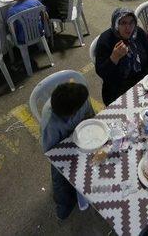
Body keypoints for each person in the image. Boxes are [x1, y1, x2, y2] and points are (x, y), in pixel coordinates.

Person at [42, 82, 95, 219]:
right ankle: (63, 204)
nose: (85, 104)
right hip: (61, 146)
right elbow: (52, 153)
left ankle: (92, 186)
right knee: (59, 176)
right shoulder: (51, 124)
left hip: (84, 134)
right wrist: (71, 149)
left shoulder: (80, 97)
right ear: (70, 114)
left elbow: (91, 116)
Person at [95, 8, 148, 105]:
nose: (128, 28)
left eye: (131, 22)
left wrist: (145, 77)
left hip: (143, 80)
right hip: (118, 89)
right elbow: (102, 73)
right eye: (123, 23)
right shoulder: (106, 40)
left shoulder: (138, 33)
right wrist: (114, 57)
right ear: (116, 24)